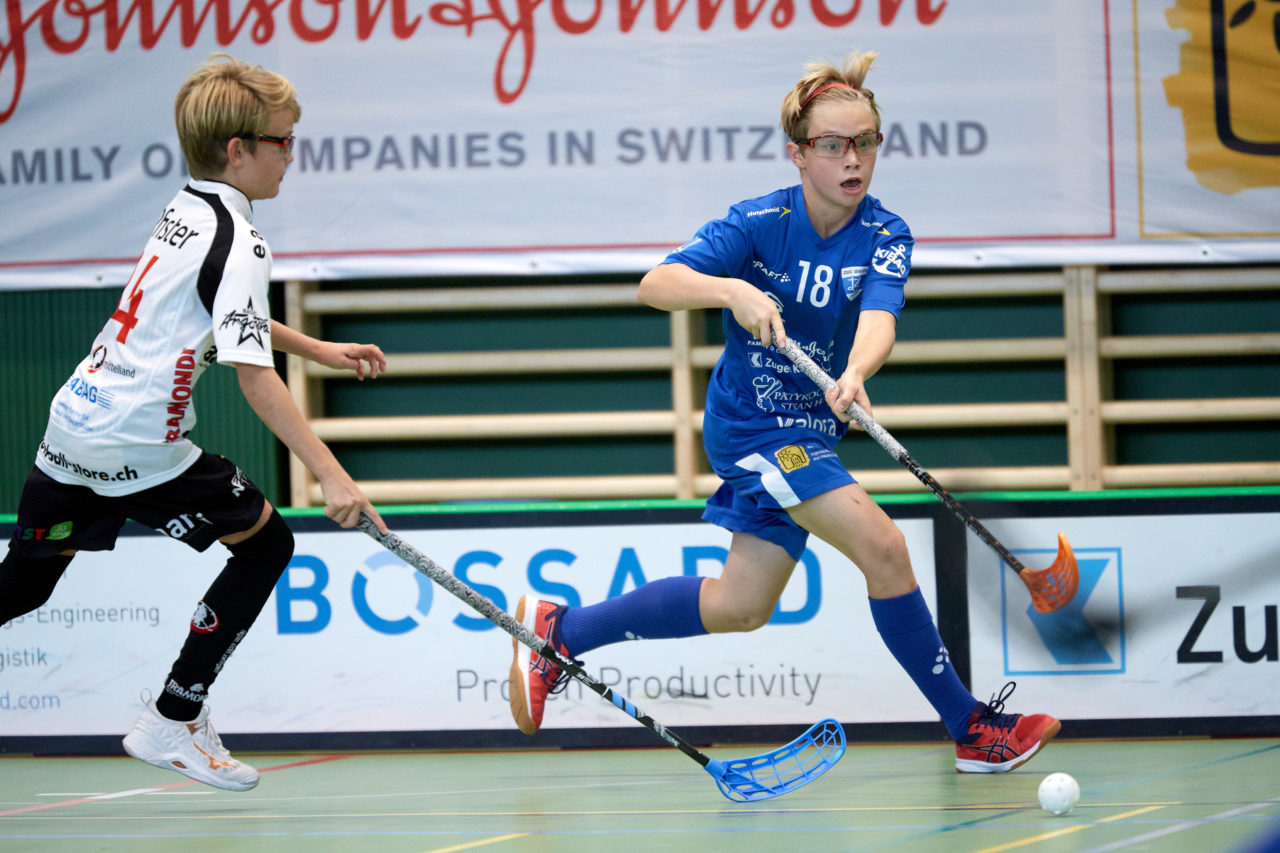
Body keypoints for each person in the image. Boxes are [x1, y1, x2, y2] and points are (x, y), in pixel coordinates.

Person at [508, 50, 1060, 774]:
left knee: (740, 605)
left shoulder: (886, 233)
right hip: (753, 428)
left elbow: (880, 318)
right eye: (833, 144)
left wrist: (856, 371)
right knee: (885, 547)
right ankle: (971, 727)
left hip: (811, 430)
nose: (853, 158)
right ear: (799, 153)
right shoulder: (757, 223)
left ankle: (561, 629)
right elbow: (656, 283)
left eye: (865, 141)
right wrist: (732, 291)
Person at [0, 54, 389, 792]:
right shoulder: (240, 239)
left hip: (74, 425)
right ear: (238, 149)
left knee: (23, 589)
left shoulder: (188, 209)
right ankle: (174, 717)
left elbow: (215, 311)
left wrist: (317, 348)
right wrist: (333, 477)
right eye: (282, 141)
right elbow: (254, 376)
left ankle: (176, 715)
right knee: (267, 544)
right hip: (139, 443)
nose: (291, 155)